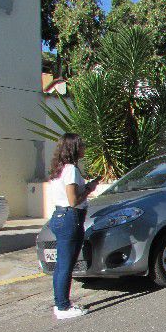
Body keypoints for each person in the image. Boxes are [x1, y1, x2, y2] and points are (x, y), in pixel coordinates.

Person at [47, 133, 99, 319]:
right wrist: (89, 188)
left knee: (62, 264)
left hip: (61, 216)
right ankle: (62, 307)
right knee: (66, 265)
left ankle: (61, 303)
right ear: (73, 148)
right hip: (70, 217)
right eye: (81, 145)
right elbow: (73, 200)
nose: (84, 148)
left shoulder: (59, 169)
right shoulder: (70, 170)